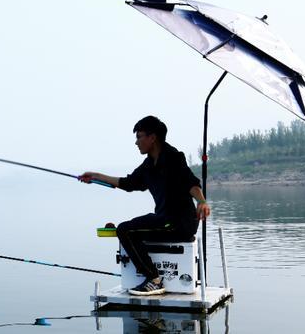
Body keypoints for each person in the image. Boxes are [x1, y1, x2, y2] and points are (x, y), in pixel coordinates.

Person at [79, 116, 210, 296]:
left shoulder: (173, 158)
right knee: (126, 228)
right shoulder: (148, 165)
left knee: (125, 230)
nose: (136, 142)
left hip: (180, 223)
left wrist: (202, 201)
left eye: (139, 136)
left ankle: (154, 280)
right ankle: (151, 277)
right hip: (164, 219)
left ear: (152, 137)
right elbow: (127, 183)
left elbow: (191, 184)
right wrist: (95, 176)